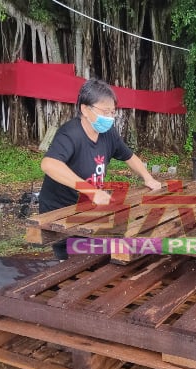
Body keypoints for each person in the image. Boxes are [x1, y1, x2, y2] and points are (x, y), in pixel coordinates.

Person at [39, 78, 161, 260]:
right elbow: (49, 164)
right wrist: (91, 191)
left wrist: (147, 177)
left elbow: (129, 156)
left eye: (112, 112)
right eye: (105, 112)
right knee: (74, 262)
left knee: (107, 251)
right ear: (85, 109)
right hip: (61, 212)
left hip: (88, 209)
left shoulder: (108, 133)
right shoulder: (70, 133)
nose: (110, 118)